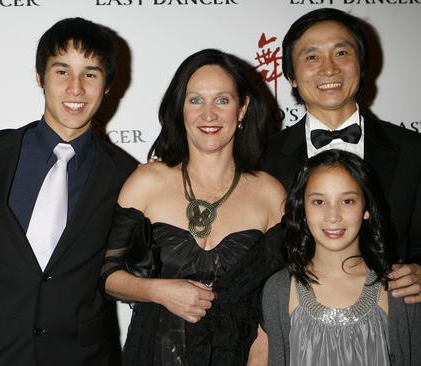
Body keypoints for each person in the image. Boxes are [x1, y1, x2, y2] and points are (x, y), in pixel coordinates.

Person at [0, 18, 135, 365]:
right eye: (62, 71)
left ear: (108, 85)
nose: (76, 88)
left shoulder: (126, 176)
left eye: (91, 74)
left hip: (82, 356)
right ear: (40, 77)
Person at [102, 48, 285, 365]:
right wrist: (159, 291)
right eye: (195, 100)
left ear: (242, 109)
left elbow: (281, 295)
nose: (209, 114)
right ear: (179, 108)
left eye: (222, 100)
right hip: (152, 354)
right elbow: (105, 276)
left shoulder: (270, 193)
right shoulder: (147, 181)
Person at [261, 8, 421, 307]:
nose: (329, 69)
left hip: (388, 331)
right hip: (293, 332)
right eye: (312, 57)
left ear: (362, 66)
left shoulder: (416, 152)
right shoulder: (261, 158)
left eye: (341, 53)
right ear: (291, 76)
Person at [262, 149, 421, 365]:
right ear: (302, 211)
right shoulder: (278, 290)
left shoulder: (399, 288)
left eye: (347, 201)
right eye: (318, 202)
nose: (333, 216)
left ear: (366, 208)